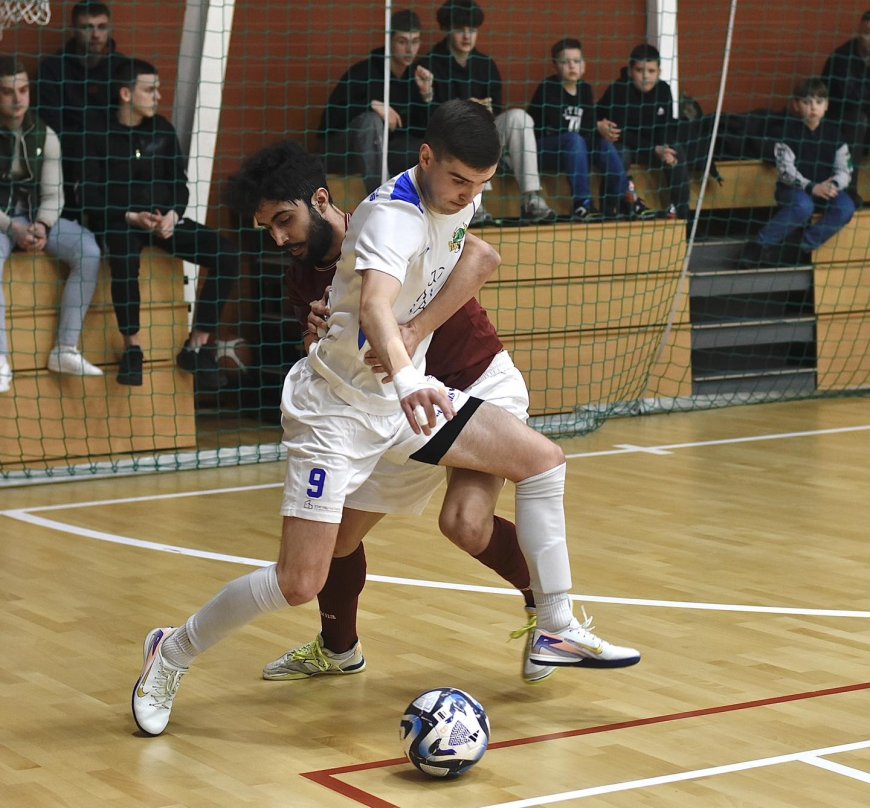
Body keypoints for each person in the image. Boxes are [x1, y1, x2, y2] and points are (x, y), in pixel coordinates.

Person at [131, 99, 640, 737]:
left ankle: (555, 626)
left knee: (541, 460)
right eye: (459, 182)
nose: (468, 197)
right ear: (425, 160)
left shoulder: (456, 198)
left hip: (414, 397)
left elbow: (463, 263)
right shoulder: (389, 219)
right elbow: (375, 305)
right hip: (339, 418)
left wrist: (408, 363)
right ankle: (170, 650)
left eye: (479, 185)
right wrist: (402, 374)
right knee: (300, 579)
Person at [226, 140, 551, 685]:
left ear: (322, 201)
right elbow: (334, 361)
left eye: (285, 221)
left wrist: (410, 330)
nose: (280, 238)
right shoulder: (302, 276)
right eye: (270, 230)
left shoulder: (389, 222)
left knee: (465, 523)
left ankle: (549, 612)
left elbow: (479, 258)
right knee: (338, 539)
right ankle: (338, 649)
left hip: (474, 379)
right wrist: (318, 342)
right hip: (402, 409)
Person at [82, 57, 240, 389]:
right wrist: (129, 216)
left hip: (162, 222)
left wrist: (172, 214)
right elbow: (89, 196)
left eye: (158, 89)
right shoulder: (97, 134)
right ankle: (133, 349)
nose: (157, 96)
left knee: (226, 254)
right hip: (120, 221)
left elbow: (178, 183)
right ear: (126, 94)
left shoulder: (163, 130)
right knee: (123, 257)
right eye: (149, 89)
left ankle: (196, 346)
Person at [0, 56, 103, 394]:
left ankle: (65, 348)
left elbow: (54, 194)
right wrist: (13, 229)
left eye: (23, 90)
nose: (17, 99)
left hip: (35, 216)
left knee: (88, 249)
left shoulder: (45, 133)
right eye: (7, 92)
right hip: (3, 221)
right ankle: (0, 359)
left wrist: (42, 226)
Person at [426, 0, 555, 225]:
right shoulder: (430, 63)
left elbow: (498, 111)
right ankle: (475, 204)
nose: (467, 36)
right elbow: (429, 119)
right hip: (450, 142)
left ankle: (531, 198)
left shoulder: (486, 64)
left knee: (519, 118)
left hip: (488, 138)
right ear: (447, 29)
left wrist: (483, 112)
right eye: (460, 30)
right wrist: (466, 109)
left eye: (472, 30)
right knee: (470, 124)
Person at [738, 77, 855, 269]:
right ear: (796, 105)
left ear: (826, 106)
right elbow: (786, 171)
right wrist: (812, 187)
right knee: (803, 205)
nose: (813, 107)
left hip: (826, 190)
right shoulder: (786, 133)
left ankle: (801, 247)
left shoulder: (835, 134)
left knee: (846, 207)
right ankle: (758, 245)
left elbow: (844, 169)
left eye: (819, 102)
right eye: (806, 102)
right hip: (794, 190)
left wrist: (833, 185)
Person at [319, 9, 435, 195]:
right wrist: (371, 105)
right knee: (370, 121)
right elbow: (328, 123)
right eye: (402, 41)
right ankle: (383, 199)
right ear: (389, 41)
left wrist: (426, 96)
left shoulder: (416, 76)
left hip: (387, 153)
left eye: (414, 42)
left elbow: (420, 132)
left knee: (433, 148)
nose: (409, 49)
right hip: (343, 152)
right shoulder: (364, 72)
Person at [35, 2, 125, 220]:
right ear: (74, 30)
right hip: (68, 155)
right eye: (87, 27)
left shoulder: (123, 68)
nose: (95, 34)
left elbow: (127, 121)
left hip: (110, 155)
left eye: (102, 26)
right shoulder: (53, 68)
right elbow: (50, 124)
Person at [527, 38, 631, 221]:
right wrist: (595, 126)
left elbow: (589, 128)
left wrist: (602, 129)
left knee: (603, 145)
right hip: (545, 150)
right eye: (565, 62)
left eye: (576, 61)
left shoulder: (585, 89)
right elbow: (558, 128)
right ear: (555, 66)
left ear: (584, 65)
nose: (571, 66)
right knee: (574, 139)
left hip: (576, 152)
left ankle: (623, 198)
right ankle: (582, 204)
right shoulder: (548, 88)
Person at [597, 43, 691, 220]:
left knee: (676, 150)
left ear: (659, 72)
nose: (645, 76)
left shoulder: (663, 90)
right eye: (640, 70)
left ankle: (682, 215)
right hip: (625, 144)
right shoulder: (618, 90)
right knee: (620, 153)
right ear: (630, 71)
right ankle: (610, 211)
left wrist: (665, 149)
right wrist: (653, 149)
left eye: (651, 71)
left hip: (652, 147)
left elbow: (667, 126)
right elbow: (620, 133)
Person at [821, 11, 870, 204]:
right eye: (867, 33)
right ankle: (848, 192)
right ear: (859, 34)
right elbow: (853, 100)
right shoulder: (842, 59)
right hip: (840, 126)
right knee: (857, 120)